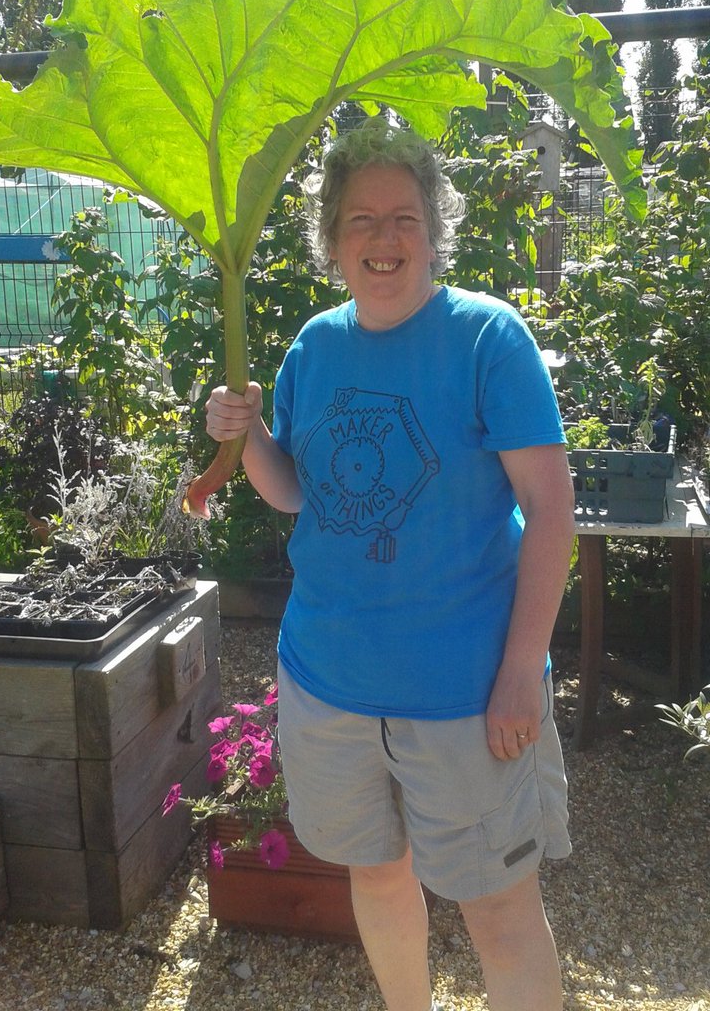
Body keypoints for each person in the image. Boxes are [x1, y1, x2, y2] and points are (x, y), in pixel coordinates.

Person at [205, 120, 576, 1011]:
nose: (384, 238)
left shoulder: (488, 338)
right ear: (332, 240)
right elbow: (295, 493)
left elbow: (554, 510)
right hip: (328, 686)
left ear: (433, 229)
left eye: (405, 217)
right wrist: (246, 430)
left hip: (465, 695)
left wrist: (521, 671)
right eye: (362, 220)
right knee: (374, 878)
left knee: (497, 909)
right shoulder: (314, 347)